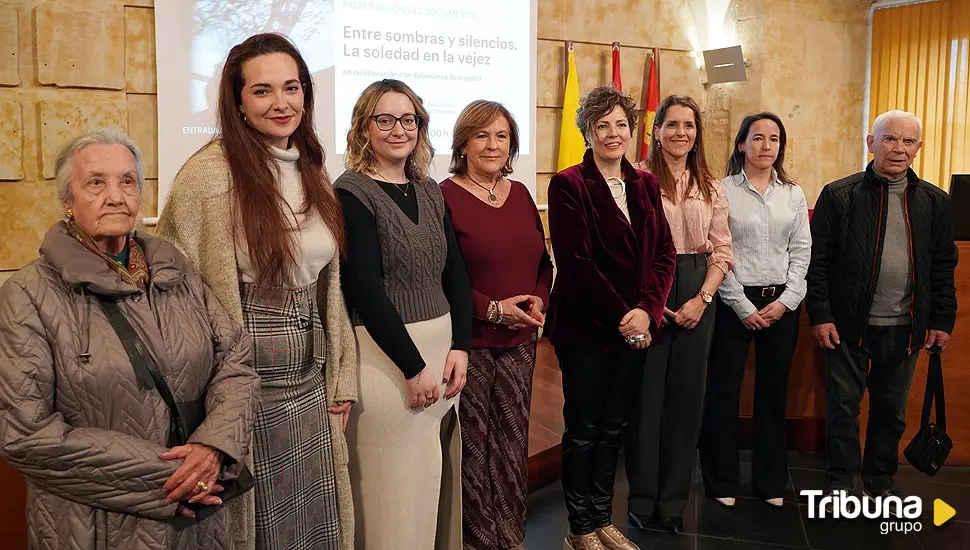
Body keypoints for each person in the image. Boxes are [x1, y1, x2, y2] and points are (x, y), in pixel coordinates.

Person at [0, 130, 259, 550]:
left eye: (127, 181)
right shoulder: (27, 294)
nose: (116, 196)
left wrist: (213, 449)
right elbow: (25, 434)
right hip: (94, 525)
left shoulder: (176, 272)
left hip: (200, 521)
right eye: (96, 183)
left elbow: (235, 362)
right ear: (67, 199)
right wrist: (175, 476)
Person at [156, 33, 359, 550]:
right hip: (246, 377)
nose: (281, 102)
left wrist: (340, 371)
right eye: (263, 90)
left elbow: (328, 288)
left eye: (292, 87)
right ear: (238, 101)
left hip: (308, 374)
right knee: (261, 522)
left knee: (315, 517)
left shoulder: (312, 167)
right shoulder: (210, 176)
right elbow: (180, 299)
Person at [335, 78, 471, 550]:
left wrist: (461, 347)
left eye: (408, 119)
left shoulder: (429, 189)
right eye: (385, 120)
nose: (399, 130)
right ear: (364, 128)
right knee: (391, 503)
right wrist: (413, 367)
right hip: (388, 362)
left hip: (440, 359)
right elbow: (365, 290)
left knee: (424, 497)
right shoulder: (353, 193)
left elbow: (456, 273)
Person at [547, 85, 676, 550]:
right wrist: (627, 316)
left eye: (621, 124)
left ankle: (603, 519)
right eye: (602, 125)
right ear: (587, 131)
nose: (613, 133)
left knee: (615, 428)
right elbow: (577, 263)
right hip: (586, 328)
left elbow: (664, 253)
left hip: (637, 329)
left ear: (633, 130)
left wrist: (647, 311)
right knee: (584, 429)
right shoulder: (568, 184)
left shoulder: (646, 183)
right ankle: (579, 528)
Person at [806, 110, 957, 505]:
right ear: (870, 143)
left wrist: (942, 319)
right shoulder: (839, 195)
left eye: (908, 142)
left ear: (919, 149)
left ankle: (878, 477)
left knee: (890, 411)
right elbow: (817, 261)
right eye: (890, 139)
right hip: (847, 324)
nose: (899, 148)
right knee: (843, 409)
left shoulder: (935, 202)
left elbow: (943, 265)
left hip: (906, 326)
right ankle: (840, 479)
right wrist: (820, 315)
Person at [440, 100, 554, 550]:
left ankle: (511, 536)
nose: (492, 144)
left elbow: (543, 264)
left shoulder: (522, 193)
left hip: (521, 342)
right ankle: (478, 540)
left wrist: (539, 300)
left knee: (511, 444)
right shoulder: (443, 196)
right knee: (473, 448)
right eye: (481, 135)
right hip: (472, 344)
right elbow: (442, 276)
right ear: (463, 143)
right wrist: (492, 310)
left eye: (501, 136)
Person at [626, 95, 733, 534]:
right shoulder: (636, 180)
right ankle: (641, 499)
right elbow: (630, 247)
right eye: (672, 125)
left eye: (689, 126)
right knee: (646, 402)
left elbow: (722, 251)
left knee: (687, 402)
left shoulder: (711, 185)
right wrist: (653, 299)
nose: (681, 133)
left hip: (697, 287)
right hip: (649, 284)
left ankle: (672, 503)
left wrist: (701, 299)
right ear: (656, 131)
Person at [699, 112, 811, 508]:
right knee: (724, 391)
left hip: (782, 303)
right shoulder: (720, 190)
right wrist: (743, 305)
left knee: (772, 393)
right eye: (758, 138)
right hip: (732, 302)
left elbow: (801, 252)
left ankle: (769, 482)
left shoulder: (792, 194)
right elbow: (717, 249)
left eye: (774, 139)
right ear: (741, 144)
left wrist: (785, 302)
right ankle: (722, 480)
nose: (766, 146)